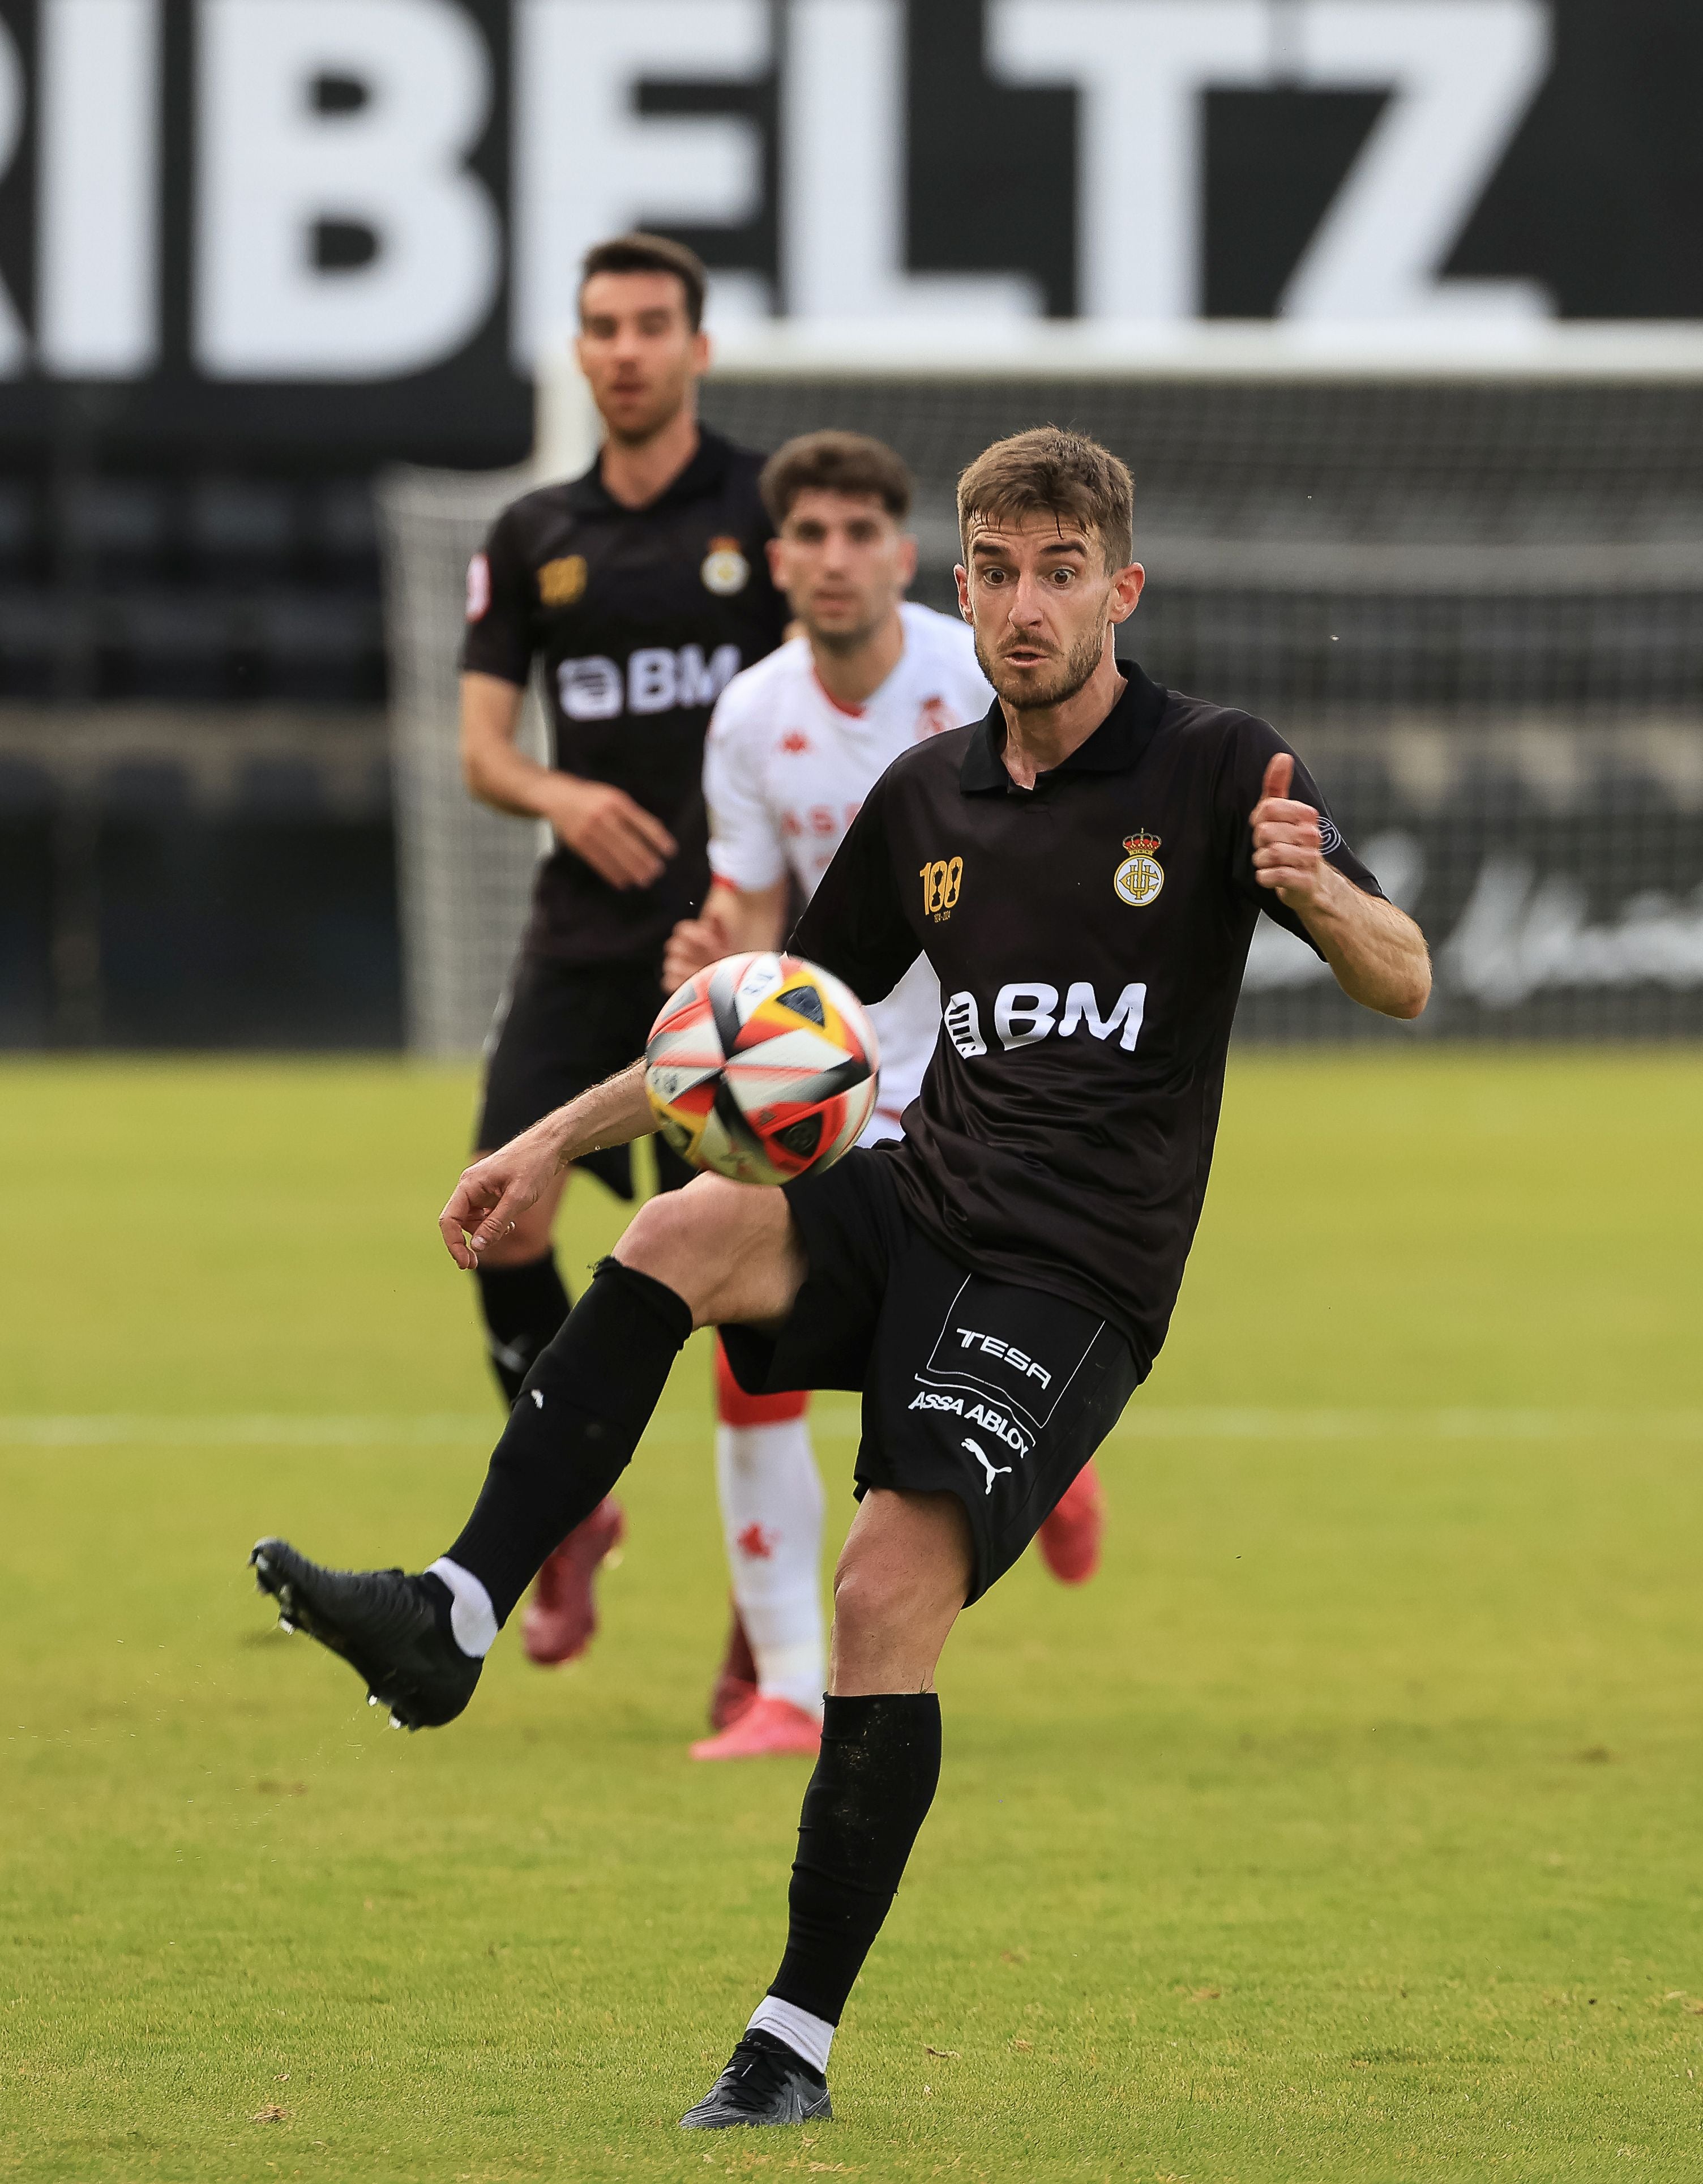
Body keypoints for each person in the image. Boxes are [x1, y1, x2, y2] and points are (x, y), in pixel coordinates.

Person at [251, 426, 1431, 2130]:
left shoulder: (1217, 768)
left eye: (1060, 572)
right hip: (922, 1197)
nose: (1027, 606)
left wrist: (1320, 893)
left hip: (1075, 1276)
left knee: (879, 1599)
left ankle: (789, 2043)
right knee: (674, 1228)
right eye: (999, 572)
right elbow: (760, 1032)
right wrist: (549, 1148)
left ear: (1122, 587)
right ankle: (455, 1612)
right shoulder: (931, 795)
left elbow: (1405, 978)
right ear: (964, 586)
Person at [670, 427, 1110, 1764]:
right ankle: (786, 1689)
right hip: (819, 1086)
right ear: (777, 559)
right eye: (811, 534)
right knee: (738, 1343)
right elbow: (751, 912)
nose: (836, 557)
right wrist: (718, 977)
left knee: (911, 1364)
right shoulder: (750, 713)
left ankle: (1048, 1456)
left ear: (908, 559)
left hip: (982, 1092)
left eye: (863, 532)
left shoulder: (971, 670)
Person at [457, 231, 786, 1671]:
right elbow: (480, 750)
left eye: (656, 324)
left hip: (720, 950)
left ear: (698, 349)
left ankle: (757, 1612)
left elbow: (813, 712)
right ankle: (570, 1510)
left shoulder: (771, 512)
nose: (629, 349)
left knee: (731, 1275)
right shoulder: (534, 532)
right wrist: (558, 790)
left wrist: (761, 913)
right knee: (502, 1214)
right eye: (603, 326)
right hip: (582, 942)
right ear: (579, 351)